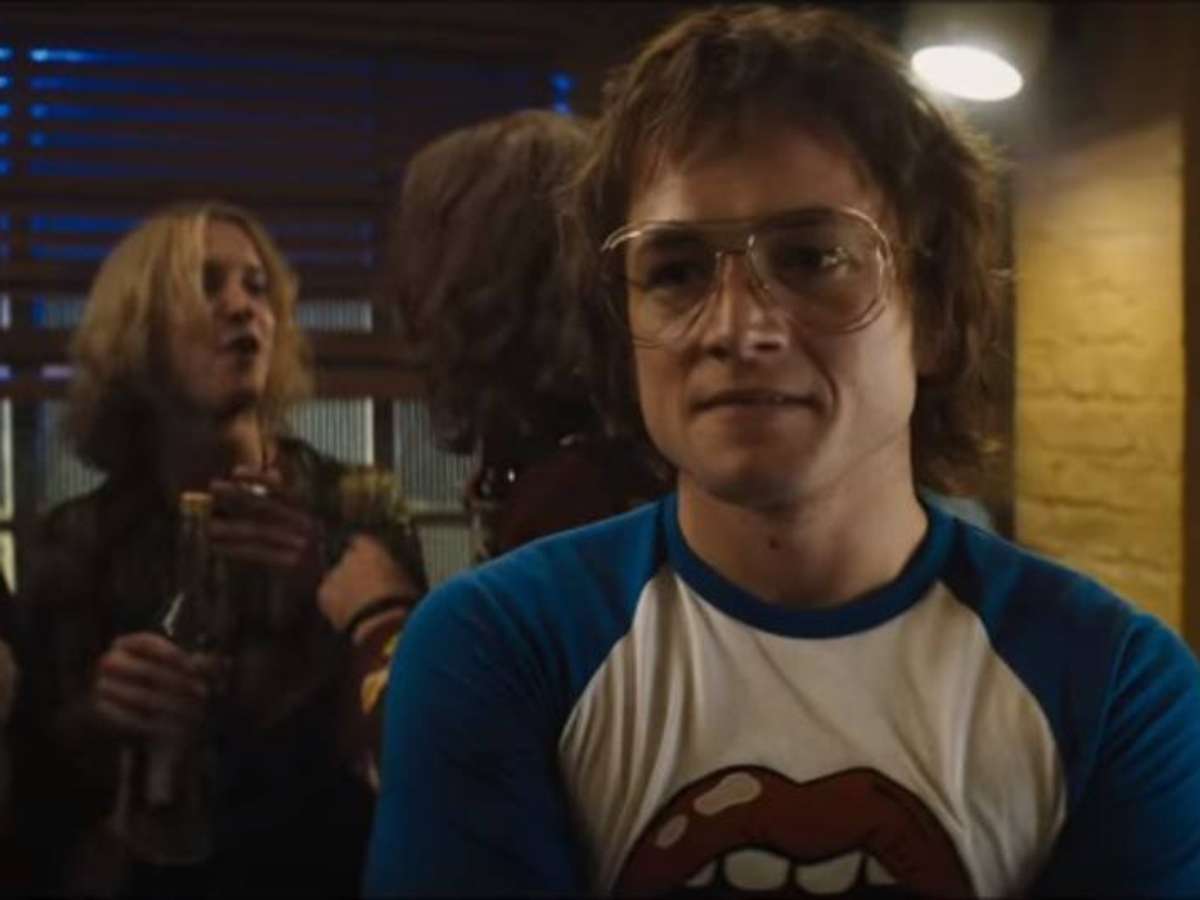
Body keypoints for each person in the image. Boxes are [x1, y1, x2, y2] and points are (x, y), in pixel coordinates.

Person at [363, 5, 1200, 898]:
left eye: (811, 258)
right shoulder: (503, 647)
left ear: (933, 311)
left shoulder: (1113, 685)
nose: (737, 327)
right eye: (677, 271)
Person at [7, 201, 426, 897]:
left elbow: (421, 735)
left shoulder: (356, 508)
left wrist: (326, 607)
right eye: (207, 286)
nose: (242, 307)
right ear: (138, 331)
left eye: (258, 288)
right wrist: (101, 713)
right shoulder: (78, 539)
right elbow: (33, 803)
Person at [319, 110, 668, 759]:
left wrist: (379, 615)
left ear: (468, 285)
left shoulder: (573, 497)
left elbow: (450, 757)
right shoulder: (622, 452)